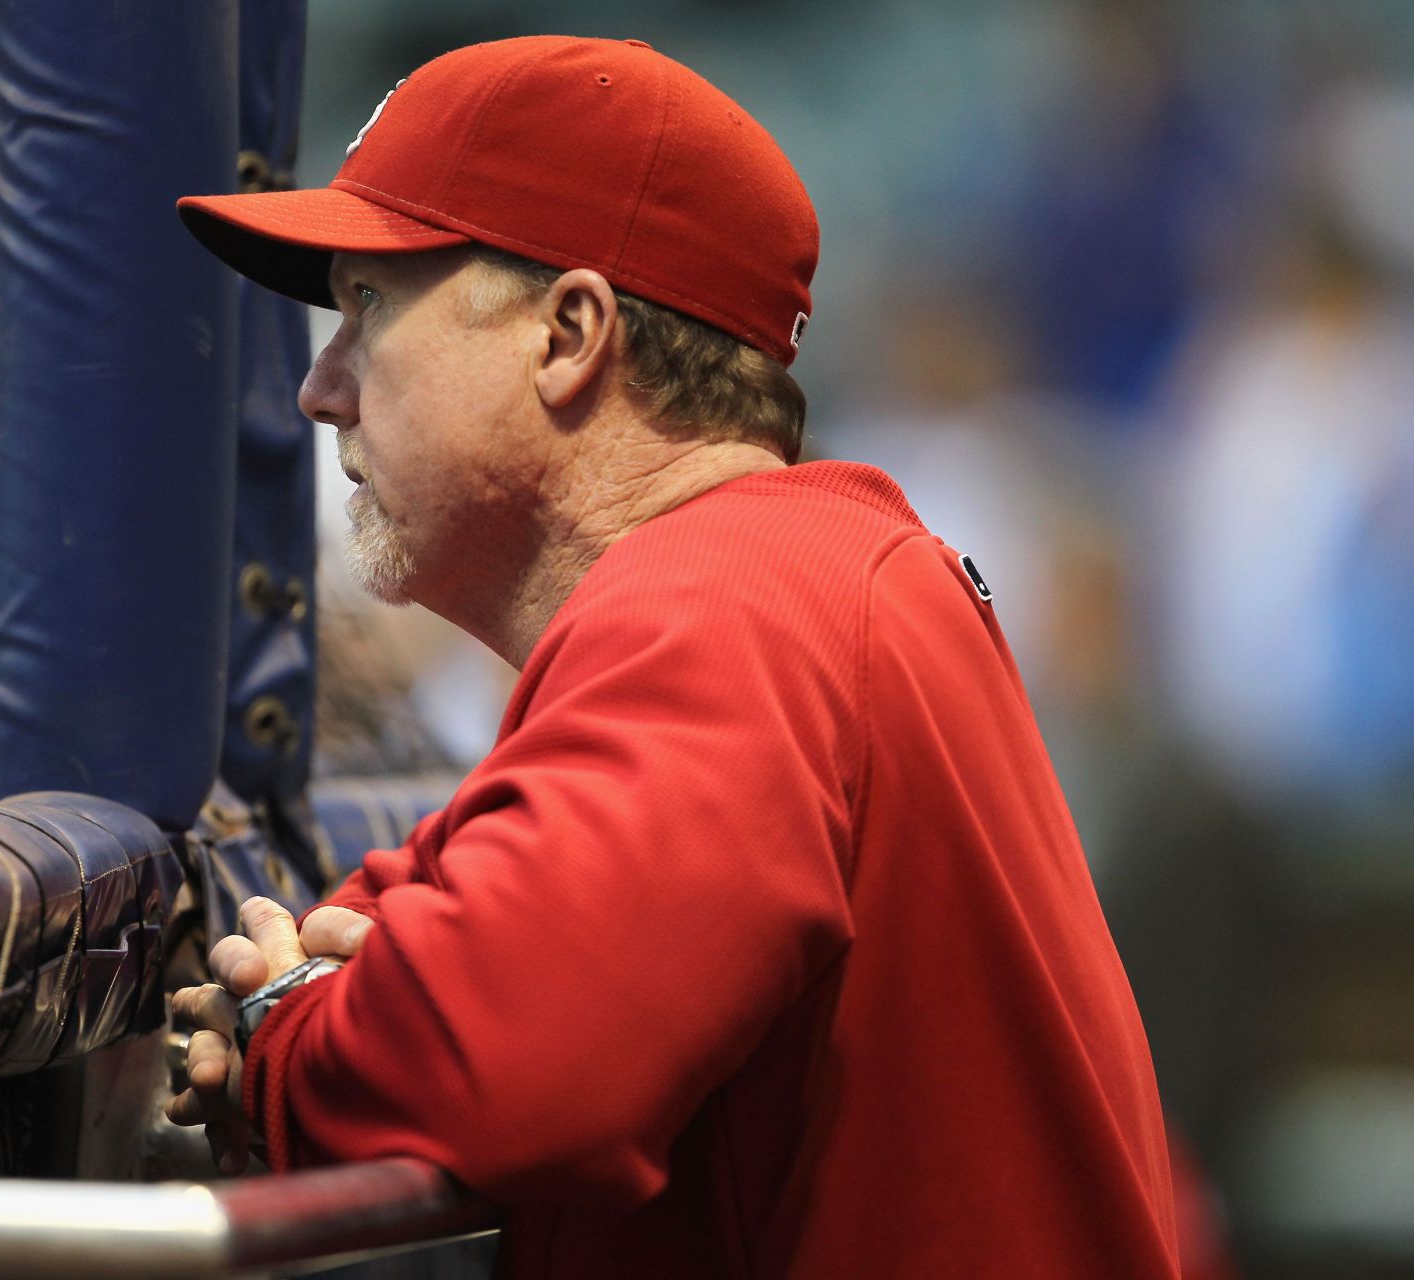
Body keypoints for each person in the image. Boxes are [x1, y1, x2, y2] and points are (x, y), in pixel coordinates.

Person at [167, 35, 1180, 1279]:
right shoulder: (782, 572)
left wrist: (281, 1026)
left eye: (369, 305)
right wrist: (364, 968)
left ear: (570, 332)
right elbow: (436, 896)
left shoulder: (730, 599)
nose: (323, 386)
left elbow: (521, 1064)